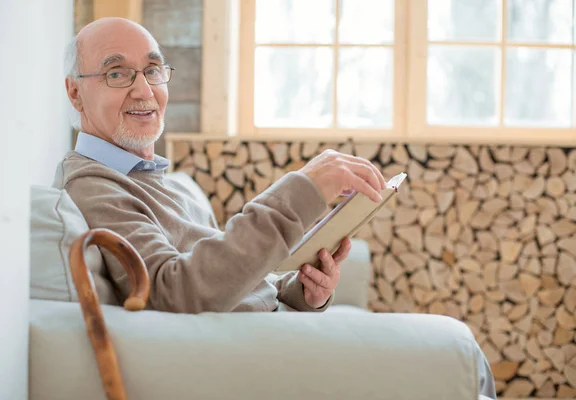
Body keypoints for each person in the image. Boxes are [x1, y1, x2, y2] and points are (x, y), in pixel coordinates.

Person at [56, 17, 495, 398]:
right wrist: (300, 189)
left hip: (272, 328)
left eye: (153, 70)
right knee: (461, 351)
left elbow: (220, 278)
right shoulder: (95, 184)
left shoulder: (145, 174)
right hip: (253, 351)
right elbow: (175, 292)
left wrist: (299, 290)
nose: (144, 89)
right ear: (75, 94)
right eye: (117, 73)